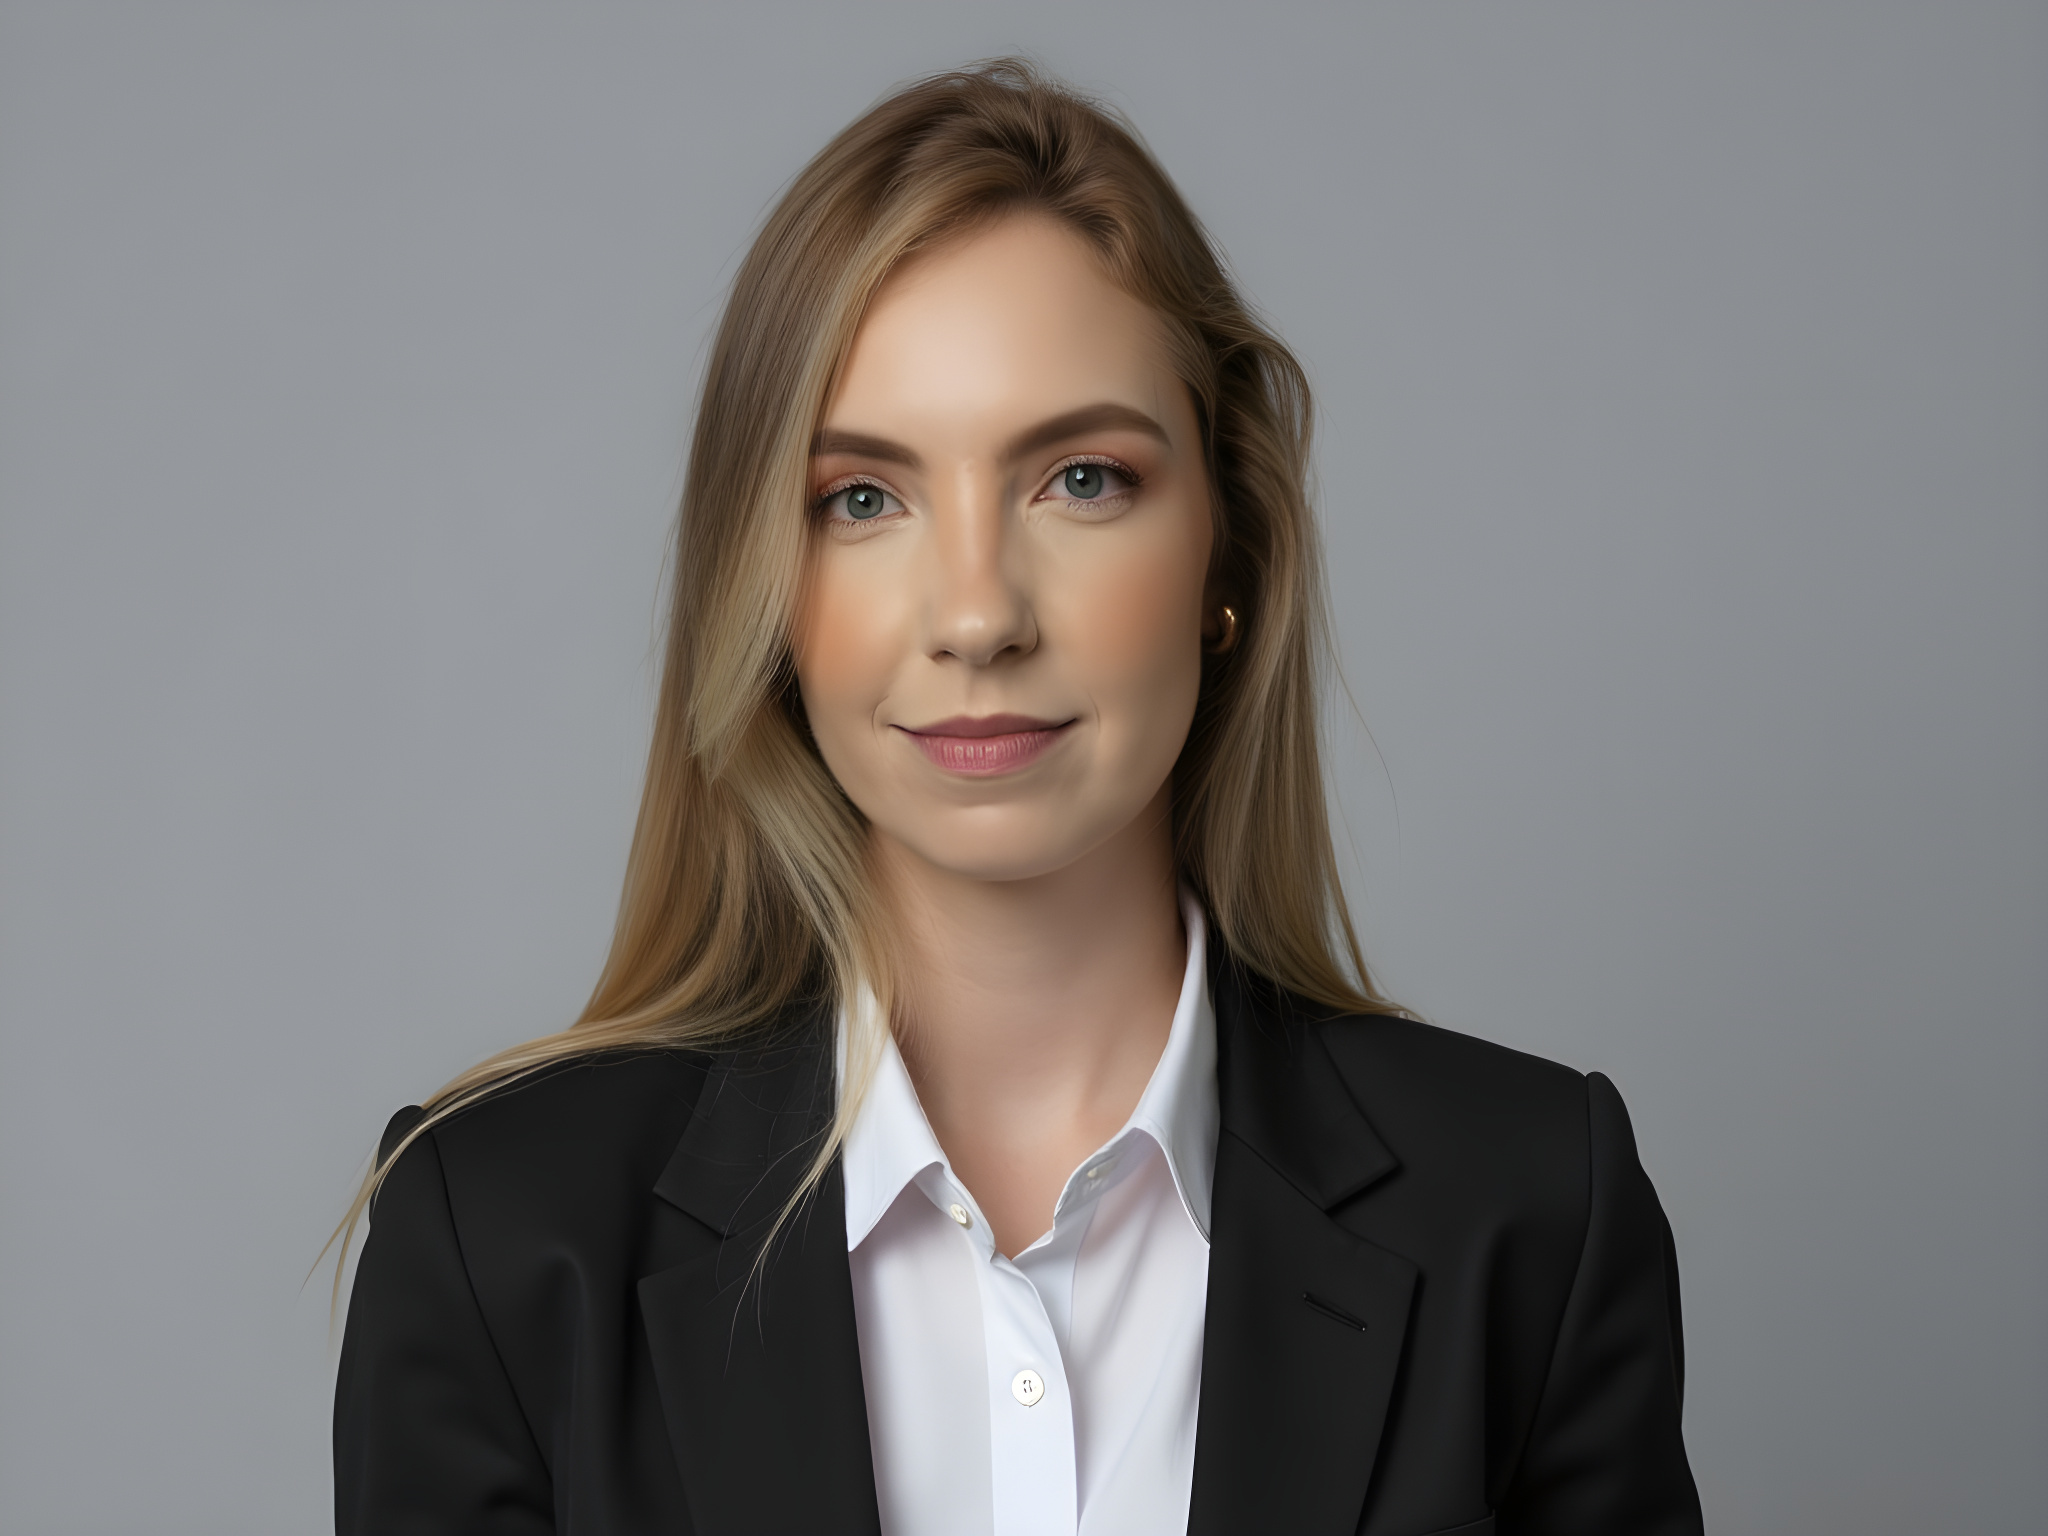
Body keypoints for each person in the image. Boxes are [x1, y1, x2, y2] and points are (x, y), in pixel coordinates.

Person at [333, 61, 1703, 1536]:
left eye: (1083, 481)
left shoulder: (1529, 1219)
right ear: (768, 593)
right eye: (863, 498)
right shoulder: (497, 1241)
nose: (977, 615)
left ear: (1227, 557)